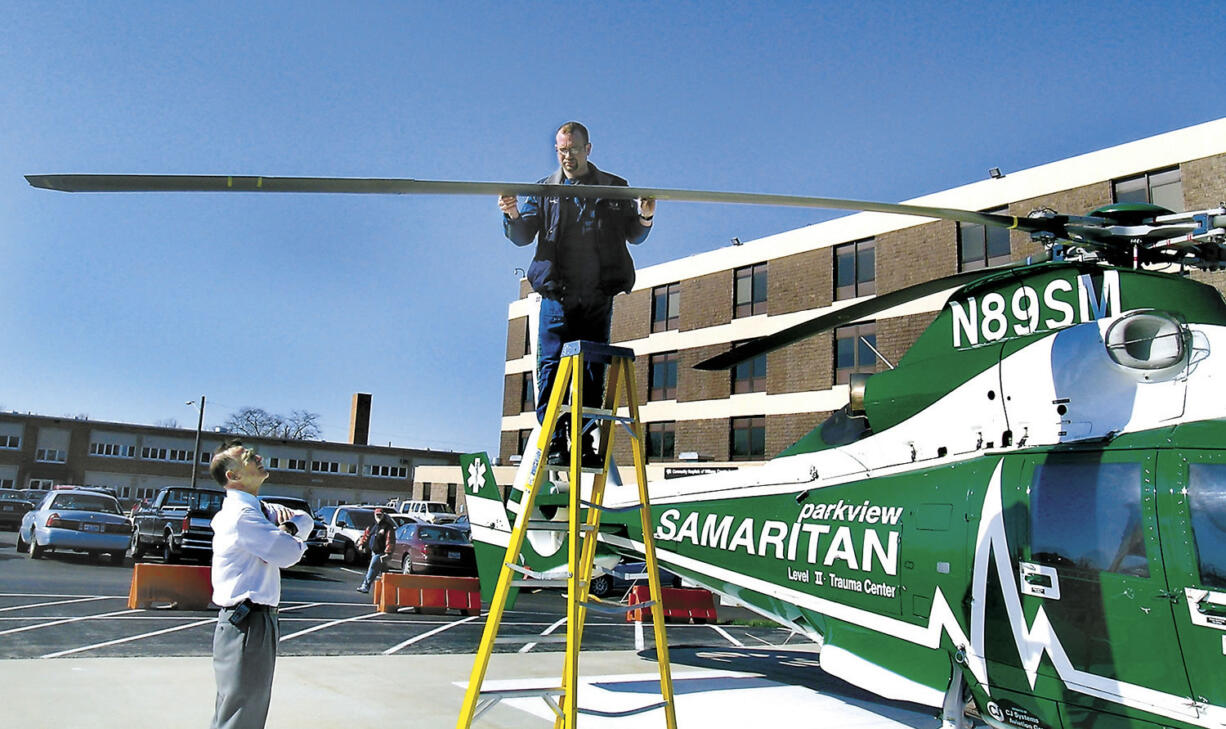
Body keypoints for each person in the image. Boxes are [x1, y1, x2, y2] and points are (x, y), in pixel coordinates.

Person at [499, 121, 655, 465]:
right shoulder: (544, 190)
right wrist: (511, 213)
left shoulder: (615, 188)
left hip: (597, 296)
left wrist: (645, 216)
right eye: (561, 150)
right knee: (550, 369)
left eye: (572, 149)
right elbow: (523, 235)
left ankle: (582, 441)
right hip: (558, 295)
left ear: (587, 149)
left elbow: (634, 234)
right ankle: (555, 441)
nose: (566, 156)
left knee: (592, 371)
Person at [208, 438, 314, 729]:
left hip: (255, 621)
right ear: (233, 476)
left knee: (242, 709)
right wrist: (286, 535)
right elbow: (288, 553)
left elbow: (305, 519)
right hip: (247, 621)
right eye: (246, 456)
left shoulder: (260, 510)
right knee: (241, 713)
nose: (256, 457)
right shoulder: (243, 516)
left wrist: (288, 528)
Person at [356, 507, 397, 593]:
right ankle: (390, 589)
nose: (378, 516)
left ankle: (365, 586)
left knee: (373, 568)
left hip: (381, 552)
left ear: (383, 515)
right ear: (374, 515)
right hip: (373, 552)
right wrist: (362, 545)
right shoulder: (372, 526)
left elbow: (390, 540)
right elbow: (366, 536)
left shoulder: (387, 527)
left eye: (380, 514)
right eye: (377, 514)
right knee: (384, 572)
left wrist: (388, 552)